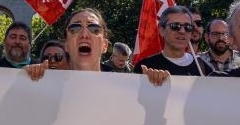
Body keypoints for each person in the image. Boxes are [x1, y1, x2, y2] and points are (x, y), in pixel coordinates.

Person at [25, 8, 171, 87]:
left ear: (105, 45)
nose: (84, 34)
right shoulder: (45, 86)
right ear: (66, 45)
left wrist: (155, 89)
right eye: (75, 28)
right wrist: (25, 81)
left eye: (94, 29)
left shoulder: (126, 89)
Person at [133, 5, 207, 76]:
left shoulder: (202, 66)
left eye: (187, 27)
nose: (182, 31)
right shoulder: (145, 67)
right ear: (161, 30)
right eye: (175, 26)